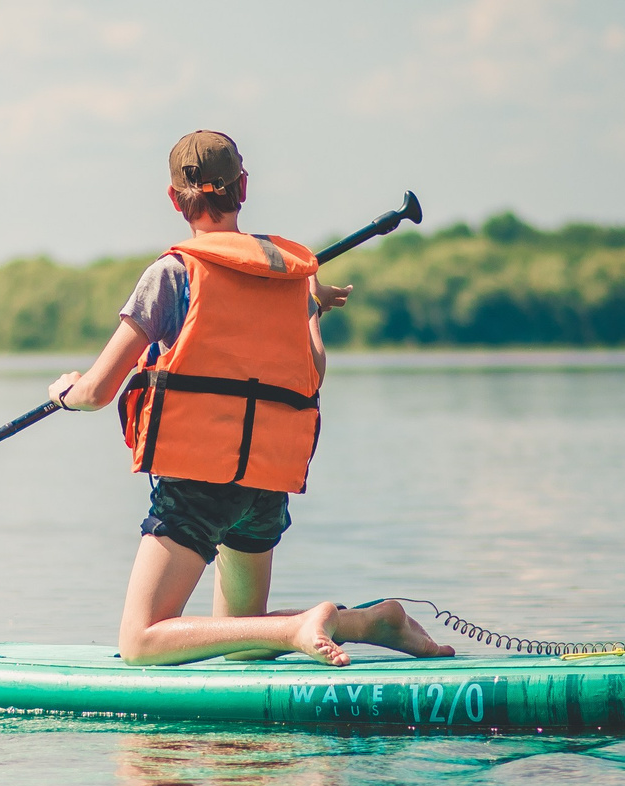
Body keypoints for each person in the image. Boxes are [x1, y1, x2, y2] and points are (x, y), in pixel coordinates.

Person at [49, 131, 452, 669]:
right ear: (243, 188)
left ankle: (298, 627)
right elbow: (312, 374)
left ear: (174, 199)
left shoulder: (173, 273)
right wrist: (308, 308)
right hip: (263, 482)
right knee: (237, 644)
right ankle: (367, 621)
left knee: (140, 643)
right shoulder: (287, 276)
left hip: (197, 484)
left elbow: (98, 392)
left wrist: (63, 391)